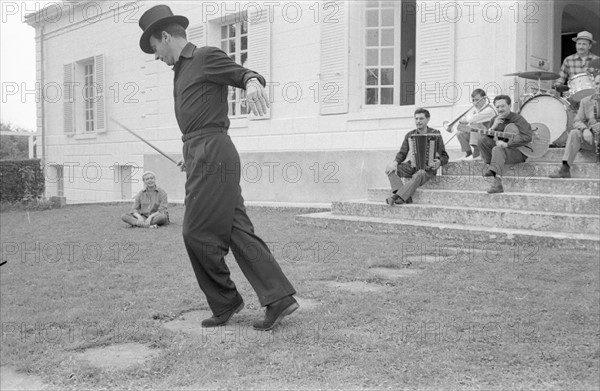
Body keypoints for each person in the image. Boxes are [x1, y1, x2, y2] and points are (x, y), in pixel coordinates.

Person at [138, 5, 297, 331]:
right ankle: (277, 296)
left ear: (166, 36)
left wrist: (253, 83)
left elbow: (244, 74)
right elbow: (197, 120)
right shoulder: (181, 71)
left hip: (212, 153)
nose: (155, 56)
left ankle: (226, 300)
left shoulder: (205, 56)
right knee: (235, 229)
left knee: (194, 232)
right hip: (202, 152)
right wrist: (192, 153)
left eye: (154, 47)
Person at [385, 108, 449, 205]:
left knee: (420, 173)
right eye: (416, 119)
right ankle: (406, 196)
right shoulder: (410, 135)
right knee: (390, 169)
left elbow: (445, 156)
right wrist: (394, 163)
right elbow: (402, 153)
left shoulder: (435, 134)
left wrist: (439, 162)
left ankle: (396, 196)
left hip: (427, 169)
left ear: (428, 119)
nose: (418, 121)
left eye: (421, 119)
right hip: (412, 166)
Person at [477, 95, 532, 194]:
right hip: (502, 151)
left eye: (502, 106)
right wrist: (493, 127)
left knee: (497, 149)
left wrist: (508, 144)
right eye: (497, 107)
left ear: (509, 105)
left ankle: (497, 183)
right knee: (482, 140)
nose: (500, 109)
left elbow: (527, 137)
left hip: (518, 152)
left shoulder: (518, 119)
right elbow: (488, 138)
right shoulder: (495, 119)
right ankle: (492, 166)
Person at [549, 73, 600, 178]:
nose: (598, 86)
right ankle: (565, 168)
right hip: (593, 140)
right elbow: (577, 121)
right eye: (597, 83)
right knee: (574, 133)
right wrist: (585, 129)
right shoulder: (586, 101)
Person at [456, 89, 497, 160]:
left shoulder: (489, 110)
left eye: (477, 100)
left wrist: (464, 120)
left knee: (474, 126)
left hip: (491, 138)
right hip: (483, 134)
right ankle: (469, 154)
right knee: (460, 133)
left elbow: (472, 119)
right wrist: (463, 126)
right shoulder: (477, 111)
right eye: (473, 100)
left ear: (484, 99)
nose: (475, 103)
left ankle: (476, 154)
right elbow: (469, 121)